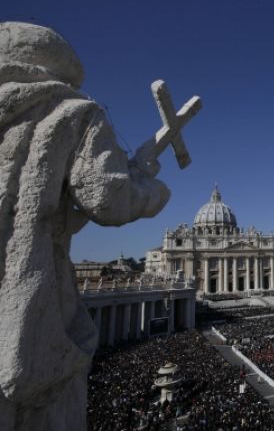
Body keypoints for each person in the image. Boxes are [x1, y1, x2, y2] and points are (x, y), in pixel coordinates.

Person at [0, 22, 170, 431]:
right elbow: (109, 201)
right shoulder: (69, 110)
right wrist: (151, 185)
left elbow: (39, 211)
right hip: (25, 307)